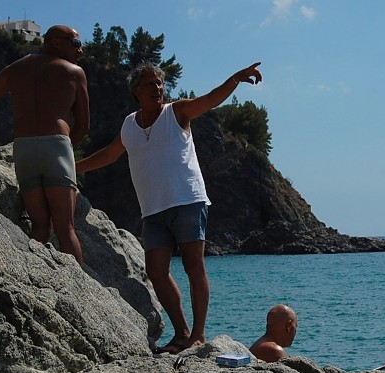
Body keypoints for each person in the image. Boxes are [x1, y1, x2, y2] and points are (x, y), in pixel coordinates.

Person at [77, 61, 262, 353]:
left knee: (193, 265)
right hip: (152, 209)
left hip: (187, 199)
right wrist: (75, 167)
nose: (158, 88)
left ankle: (198, 335)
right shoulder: (129, 124)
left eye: (160, 83)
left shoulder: (176, 112)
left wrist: (236, 79)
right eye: (150, 84)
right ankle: (181, 333)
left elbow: (211, 99)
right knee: (156, 271)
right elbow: (110, 154)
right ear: (136, 90)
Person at [0, 25, 89, 265]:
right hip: (57, 147)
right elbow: (83, 124)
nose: (80, 50)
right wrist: (64, 148)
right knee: (65, 228)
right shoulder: (74, 72)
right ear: (55, 42)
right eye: (75, 43)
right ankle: (82, 295)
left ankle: (29, 275)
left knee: (39, 226)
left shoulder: (17, 68)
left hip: (23, 148)